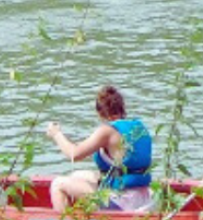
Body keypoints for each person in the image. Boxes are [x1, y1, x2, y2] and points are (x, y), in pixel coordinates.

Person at [45, 85, 153, 213]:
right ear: (122, 108)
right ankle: (83, 218)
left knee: (58, 184)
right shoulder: (138, 127)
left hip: (123, 202)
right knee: (77, 175)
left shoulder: (107, 131)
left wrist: (56, 134)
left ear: (100, 113)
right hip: (144, 197)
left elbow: (74, 154)